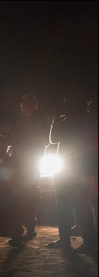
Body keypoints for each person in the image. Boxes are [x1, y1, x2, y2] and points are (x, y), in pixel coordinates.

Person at [46, 88, 97, 254]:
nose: (63, 106)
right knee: (68, 206)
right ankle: (73, 240)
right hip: (73, 168)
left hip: (75, 169)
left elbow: (53, 138)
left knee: (74, 206)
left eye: (66, 103)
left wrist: (55, 120)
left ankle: (83, 241)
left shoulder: (74, 120)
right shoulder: (82, 119)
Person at [6, 93, 51, 240]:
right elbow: (10, 139)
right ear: (21, 105)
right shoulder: (16, 121)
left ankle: (30, 225)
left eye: (29, 104)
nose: (26, 107)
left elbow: (45, 140)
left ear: (35, 106)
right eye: (24, 104)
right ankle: (19, 226)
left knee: (30, 193)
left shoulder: (41, 121)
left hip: (31, 162)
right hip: (17, 162)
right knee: (17, 193)